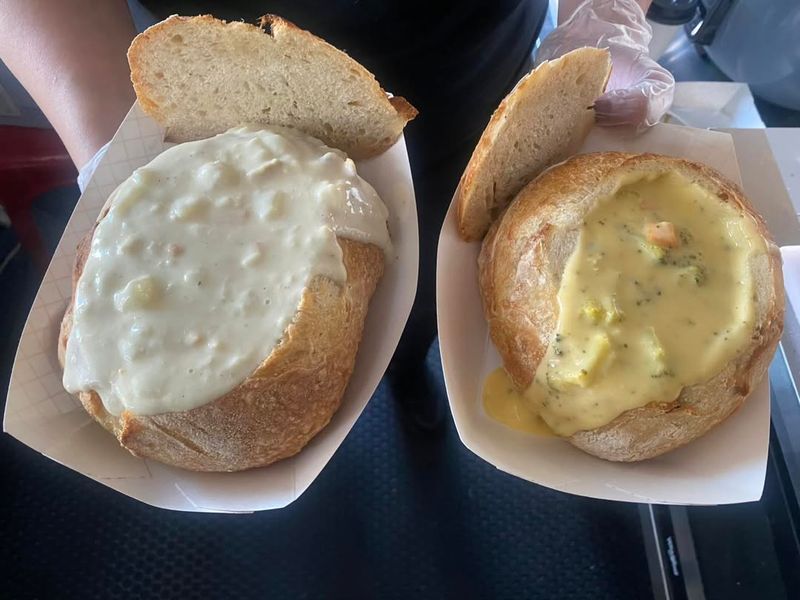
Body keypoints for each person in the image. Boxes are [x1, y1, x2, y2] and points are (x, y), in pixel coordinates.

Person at [0, 0, 673, 428]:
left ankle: (413, 389)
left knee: (428, 315)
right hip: (210, 106)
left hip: (473, 93)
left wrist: (601, 15)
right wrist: (110, 158)